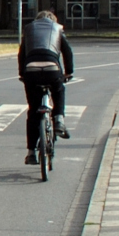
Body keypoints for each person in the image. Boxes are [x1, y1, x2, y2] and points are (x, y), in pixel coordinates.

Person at [18, 10, 74, 165]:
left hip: (31, 70)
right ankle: (59, 120)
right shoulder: (57, 28)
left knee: (33, 111)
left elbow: (22, 54)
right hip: (52, 68)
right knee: (58, 89)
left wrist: (22, 74)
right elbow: (67, 52)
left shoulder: (29, 29)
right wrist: (69, 72)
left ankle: (31, 153)